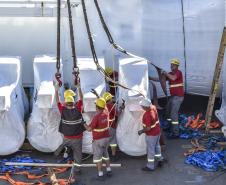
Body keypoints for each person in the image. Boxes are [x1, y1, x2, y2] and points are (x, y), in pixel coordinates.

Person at [54, 82, 85, 174]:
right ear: (73, 102)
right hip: (78, 138)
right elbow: (82, 99)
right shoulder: (78, 109)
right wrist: (79, 88)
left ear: (66, 103)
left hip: (67, 137)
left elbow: (57, 101)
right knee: (78, 154)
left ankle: (59, 152)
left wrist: (56, 90)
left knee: (65, 144)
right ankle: (78, 169)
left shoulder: (62, 110)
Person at [149, 58, 184, 137]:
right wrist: (151, 78)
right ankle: (169, 127)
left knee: (173, 114)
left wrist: (165, 73)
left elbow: (173, 78)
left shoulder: (178, 73)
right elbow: (161, 80)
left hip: (178, 97)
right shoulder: (170, 73)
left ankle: (176, 133)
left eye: (173, 65)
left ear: (177, 66)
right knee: (168, 113)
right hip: (172, 97)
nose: (171, 66)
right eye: (171, 65)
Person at [83, 98, 112, 181]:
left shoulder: (96, 117)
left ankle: (100, 174)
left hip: (98, 140)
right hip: (106, 138)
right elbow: (104, 106)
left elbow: (89, 129)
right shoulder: (106, 113)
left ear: (97, 107)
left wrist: (83, 123)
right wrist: (98, 96)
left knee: (98, 158)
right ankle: (109, 170)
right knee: (106, 154)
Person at [138, 98, 163, 171]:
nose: (141, 107)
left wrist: (141, 131)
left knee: (150, 150)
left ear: (145, 107)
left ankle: (150, 166)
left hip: (151, 135)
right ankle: (160, 160)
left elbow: (148, 128)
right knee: (157, 146)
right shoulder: (153, 107)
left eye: (142, 106)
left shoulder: (147, 115)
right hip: (157, 131)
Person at [102, 92, 119, 162]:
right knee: (113, 141)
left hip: (104, 127)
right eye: (111, 98)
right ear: (109, 99)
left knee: (105, 141)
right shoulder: (111, 106)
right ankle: (113, 156)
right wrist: (121, 108)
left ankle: (104, 156)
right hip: (111, 127)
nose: (112, 99)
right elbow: (117, 114)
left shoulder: (102, 106)